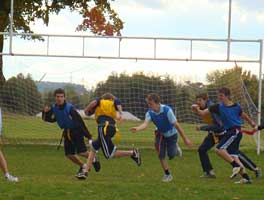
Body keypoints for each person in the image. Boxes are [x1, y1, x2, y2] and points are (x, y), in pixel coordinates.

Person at [192, 87, 257, 184]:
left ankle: (236, 166)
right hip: (230, 132)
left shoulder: (236, 106)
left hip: (235, 132)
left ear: (228, 96)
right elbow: (202, 113)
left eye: (221, 96)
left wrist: (252, 123)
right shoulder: (217, 106)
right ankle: (246, 178)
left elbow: (243, 115)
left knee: (219, 149)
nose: (219, 97)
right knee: (234, 156)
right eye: (219, 95)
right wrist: (196, 108)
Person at [130, 93, 192, 182]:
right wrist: (137, 128)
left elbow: (177, 125)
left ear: (158, 102)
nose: (149, 106)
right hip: (160, 134)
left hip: (172, 135)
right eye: (148, 104)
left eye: (151, 104)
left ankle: (176, 147)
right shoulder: (150, 113)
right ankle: (168, 174)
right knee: (160, 153)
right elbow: (145, 124)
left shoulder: (167, 110)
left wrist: (185, 139)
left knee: (171, 155)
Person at [42, 88, 100, 180]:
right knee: (69, 154)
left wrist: (87, 135)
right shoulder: (54, 108)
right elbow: (49, 119)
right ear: (55, 98)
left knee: (81, 152)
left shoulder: (70, 108)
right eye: (57, 97)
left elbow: (80, 121)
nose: (59, 98)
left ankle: (94, 158)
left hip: (76, 131)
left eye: (61, 97)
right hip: (67, 132)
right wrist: (44, 112)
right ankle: (83, 166)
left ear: (64, 97)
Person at [81, 92, 141, 178]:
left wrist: (86, 110)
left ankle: (132, 153)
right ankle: (85, 171)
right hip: (111, 128)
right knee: (94, 147)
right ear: (111, 99)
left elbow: (93, 103)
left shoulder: (100, 101)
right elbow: (119, 104)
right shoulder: (114, 102)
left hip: (104, 127)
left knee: (109, 154)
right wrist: (120, 113)